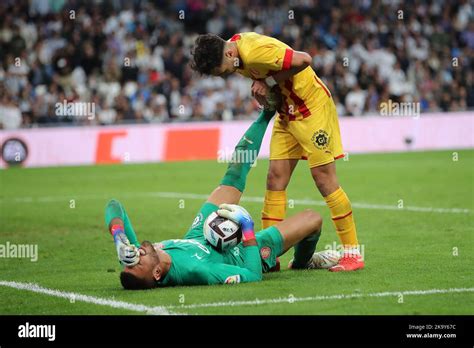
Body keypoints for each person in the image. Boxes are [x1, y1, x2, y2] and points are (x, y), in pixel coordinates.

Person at [104, 109, 338, 289]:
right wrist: (246, 228)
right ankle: (302, 262)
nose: (135, 256)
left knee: (234, 175)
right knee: (313, 218)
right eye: (137, 264)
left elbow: (114, 206)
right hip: (241, 252)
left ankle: (266, 112)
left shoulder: (140, 254)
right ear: (156, 274)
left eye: (129, 260)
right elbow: (252, 276)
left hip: (198, 234)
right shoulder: (197, 272)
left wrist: (120, 238)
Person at [190, 32, 363, 271]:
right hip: (286, 113)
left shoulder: (254, 51)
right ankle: (267, 255)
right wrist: (266, 97)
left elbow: (305, 59)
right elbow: (268, 82)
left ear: (229, 53)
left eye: (223, 69)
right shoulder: (235, 55)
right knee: (275, 179)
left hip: (311, 110)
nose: (226, 74)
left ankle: (353, 254)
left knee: (324, 179)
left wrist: (268, 83)